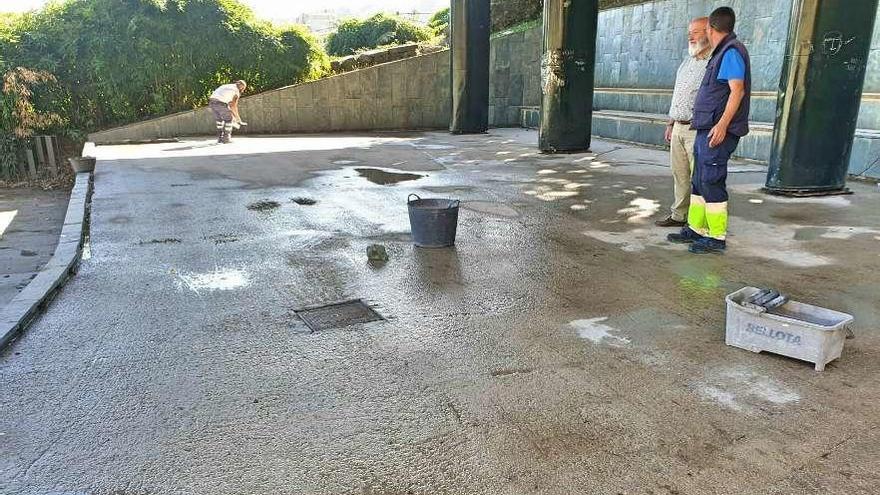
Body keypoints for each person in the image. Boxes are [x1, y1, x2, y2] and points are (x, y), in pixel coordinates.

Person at [668, 7, 751, 254]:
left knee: (711, 180)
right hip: (704, 126)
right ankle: (696, 228)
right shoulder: (720, 53)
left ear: (710, 29)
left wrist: (722, 124)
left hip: (717, 129)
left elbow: (738, 91)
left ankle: (716, 237)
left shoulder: (731, 52)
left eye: (700, 30)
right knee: (699, 180)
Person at [656, 17, 712, 228]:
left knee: (699, 177)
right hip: (678, 126)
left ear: (708, 33)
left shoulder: (712, 64)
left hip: (697, 128)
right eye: (689, 32)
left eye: (696, 32)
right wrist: (671, 124)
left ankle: (699, 222)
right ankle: (679, 215)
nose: (690, 36)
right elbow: (678, 95)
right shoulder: (687, 62)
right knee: (680, 175)